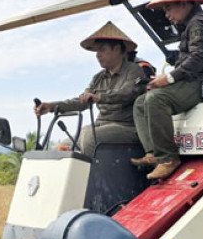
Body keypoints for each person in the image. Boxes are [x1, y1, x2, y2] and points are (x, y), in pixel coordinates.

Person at [132, 0, 203, 180]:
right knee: (141, 103)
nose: (167, 15)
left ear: (184, 3)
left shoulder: (199, 24)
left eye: (168, 8)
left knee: (156, 99)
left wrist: (167, 78)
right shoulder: (192, 25)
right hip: (196, 80)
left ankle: (167, 158)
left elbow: (198, 59)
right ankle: (153, 153)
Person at [35, 21, 148, 157]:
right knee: (61, 146)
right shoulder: (98, 78)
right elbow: (82, 100)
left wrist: (100, 97)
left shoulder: (134, 70)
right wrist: (52, 106)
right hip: (100, 126)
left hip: (127, 126)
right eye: (96, 51)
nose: (97, 55)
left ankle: (94, 177)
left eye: (102, 50)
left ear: (117, 49)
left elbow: (128, 92)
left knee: (89, 138)